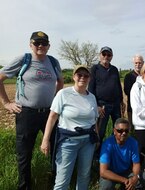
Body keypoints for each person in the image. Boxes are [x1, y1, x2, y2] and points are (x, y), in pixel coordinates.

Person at [0, 31, 64, 190]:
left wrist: (56, 101)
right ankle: (25, 186)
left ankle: (56, 183)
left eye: (44, 43)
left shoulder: (54, 62)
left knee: (56, 148)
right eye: (37, 43)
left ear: (49, 46)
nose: (41, 46)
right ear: (31, 45)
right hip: (26, 114)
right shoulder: (23, 60)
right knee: (24, 154)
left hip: (49, 114)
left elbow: (60, 82)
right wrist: (6, 103)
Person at [40, 65, 99, 189]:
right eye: (79, 75)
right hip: (68, 142)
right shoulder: (63, 94)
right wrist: (45, 140)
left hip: (88, 141)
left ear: (89, 79)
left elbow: (94, 120)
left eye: (86, 75)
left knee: (84, 175)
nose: (82, 77)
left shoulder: (92, 97)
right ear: (74, 77)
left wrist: (97, 136)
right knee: (63, 178)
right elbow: (52, 117)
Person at [88, 46, 124, 144]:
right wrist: (97, 105)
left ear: (111, 57)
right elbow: (91, 88)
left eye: (109, 55)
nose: (106, 57)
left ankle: (113, 149)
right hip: (102, 105)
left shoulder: (114, 69)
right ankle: (97, 153)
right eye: (104, 54)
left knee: (118, 129)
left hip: (116, 104)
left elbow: (118, 86)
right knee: (100, 130)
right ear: (100, 55)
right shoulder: (95, 69)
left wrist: (121, 101)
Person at [99, 118, 141, 190]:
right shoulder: (107, 144)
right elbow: (103, 172)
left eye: (126, 131)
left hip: (126, 171)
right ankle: (125, 184)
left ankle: (126, 186)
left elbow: (136, 164)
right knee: (106, 186)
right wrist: (125, 180)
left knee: (144, 178)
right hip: (111, 172)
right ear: (114, 131)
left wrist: (135, 177)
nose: (124, 133)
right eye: (120, 131)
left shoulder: (133, 142)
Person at [124, 54, 144, 126]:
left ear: (143, 63)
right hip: (132, 108)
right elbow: (127, 91)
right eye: (136, 63)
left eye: (139, 63)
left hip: (144, 108)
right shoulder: (128, 76)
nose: (138, 65)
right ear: (133, 63)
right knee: (132, 128)